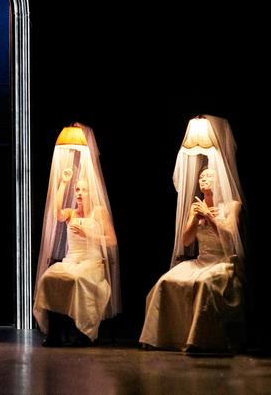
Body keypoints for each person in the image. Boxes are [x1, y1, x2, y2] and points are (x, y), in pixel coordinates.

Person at [140, 115, 246, 353]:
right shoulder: (195, 205)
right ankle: (163, 337)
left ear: (219, 180)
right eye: (202, 177)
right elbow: (186, 241)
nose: (205, 178)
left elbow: (230, 236)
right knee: (166, 281)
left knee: (205, 284)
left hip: (223, 262)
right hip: (201, 260)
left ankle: (200, 340)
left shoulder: (232, 205)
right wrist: (196, 219)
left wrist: (209, 217)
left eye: (209, 175)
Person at [33, 123, 120, 346]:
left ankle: (85, 332)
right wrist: (63, 182)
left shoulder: (99, 213)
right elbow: (56, 212)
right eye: (77, 190)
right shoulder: (71, 213)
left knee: (79, 280)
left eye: (83, 190)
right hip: (72, 261)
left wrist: (89, 235)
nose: (79, 193)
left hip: (92, 264)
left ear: (92, 192)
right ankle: (55, 333)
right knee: (50, 277)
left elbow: (111, 241)